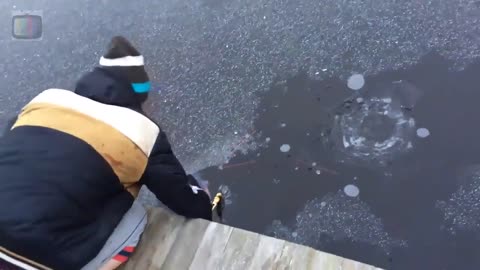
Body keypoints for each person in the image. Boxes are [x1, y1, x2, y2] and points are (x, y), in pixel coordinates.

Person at [0, 36, 212, 270]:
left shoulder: (45, 100)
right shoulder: (142, 131)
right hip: (38, 256)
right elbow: (189, 205)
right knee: (136, 217)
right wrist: (202, 196)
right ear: (138, 93)